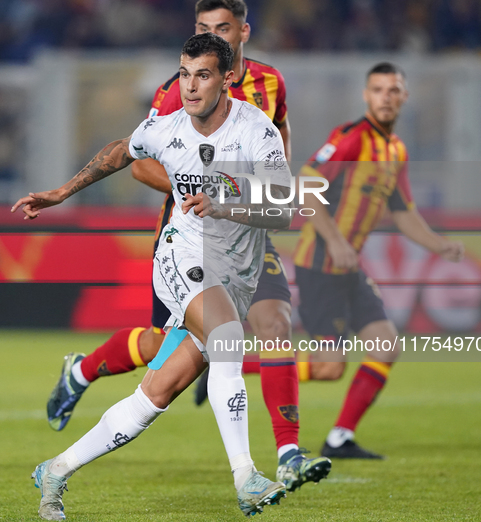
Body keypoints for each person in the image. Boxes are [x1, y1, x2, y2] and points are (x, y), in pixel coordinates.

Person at [46, 0, 330, 492]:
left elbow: (282, 208)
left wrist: (229, 199)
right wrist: (64, 192)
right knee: (229, 342)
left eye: (201, 74)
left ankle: (54, 470)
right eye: (184, 73)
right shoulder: (169, 113)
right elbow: (126, 154)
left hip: (241, 247)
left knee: (160, 387)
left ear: (238, 45)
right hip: (184, 247)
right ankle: (257, 471)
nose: (190, 84)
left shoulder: (261, 110)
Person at [293, 62, 464, 459]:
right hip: (319, 265)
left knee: (386, 345)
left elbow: (403, 211)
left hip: (349, 270)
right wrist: (334, 239)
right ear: (366, 96)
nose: (386, 97)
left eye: (394, 90)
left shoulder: (395, 150)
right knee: (330, 368)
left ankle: (339, 438)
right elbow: (305, 185)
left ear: (404, 97)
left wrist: (439, 245)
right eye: (378, 90)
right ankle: (233, 366)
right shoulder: (351, 139)